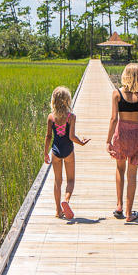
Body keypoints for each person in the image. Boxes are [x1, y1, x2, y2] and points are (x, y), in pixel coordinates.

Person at [106, 63, 138, 223]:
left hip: (121, 133)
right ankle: (129, 213)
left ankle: (119, 206)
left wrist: (108, 140)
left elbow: (114, 119)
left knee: (119, 169)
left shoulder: (117, 94)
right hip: (136, 135)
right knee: (132, 174)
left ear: (125, 76)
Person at [43, 86, 90, 219]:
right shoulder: (71, 117)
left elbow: (48, 137)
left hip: (55, 151)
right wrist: (81, 142)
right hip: (68, 150)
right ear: (67, 101)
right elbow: (71, 137)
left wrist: (46, 153)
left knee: (58, 181)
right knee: (71, 180)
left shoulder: (51, 117)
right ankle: (66, 200)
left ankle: (58, 210)